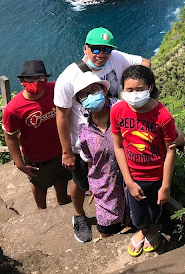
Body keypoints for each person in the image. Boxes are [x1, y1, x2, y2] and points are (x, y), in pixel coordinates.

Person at [55, 27, 150, 243]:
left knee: (119, 180)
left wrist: (136, 93)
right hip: (84, 142)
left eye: (106, 49)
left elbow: (145, 63)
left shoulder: (115, 58)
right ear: (85, 49)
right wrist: (67, 151)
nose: (101, 54)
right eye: (95, 49)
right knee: (81, 181)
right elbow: (61, 116)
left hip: (116, 135)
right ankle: (79, 215)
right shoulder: (68, 78)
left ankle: (124, 217)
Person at [111, 65, 177, 257]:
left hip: (157, 176)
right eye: (129, 90)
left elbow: (171, 151)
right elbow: (118, 146)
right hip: (133, 174)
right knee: (138, 214)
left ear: (150, 87)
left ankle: (153, 229)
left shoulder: (162, 116)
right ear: (122, 88)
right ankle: (142, 229)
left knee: (156, 209)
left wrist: (165, 185)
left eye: (140, 89)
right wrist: (129, 181)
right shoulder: (117, 111)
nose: (134, 94)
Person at [2, 60, 72, 209]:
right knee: (39, 184)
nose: (36, 82)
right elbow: (10, 136)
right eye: (31, 79)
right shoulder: (13, 109)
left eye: (40, 78)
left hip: (62, 150)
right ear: (22, 82)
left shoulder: (56, 89)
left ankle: (63, 199)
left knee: (62, 178)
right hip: (37, 157)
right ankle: (41, 209)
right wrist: (19, 163)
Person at [75, 71, 128, 238]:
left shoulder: (123, 112)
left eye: (93, 90)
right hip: (105, 188)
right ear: (80, 102)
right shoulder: (83, 127)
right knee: (106, 230)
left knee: (135, 222)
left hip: (131, 184)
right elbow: (89, 160)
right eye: (84, 95)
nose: (90, 96)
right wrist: (93, 185)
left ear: (104, 91)